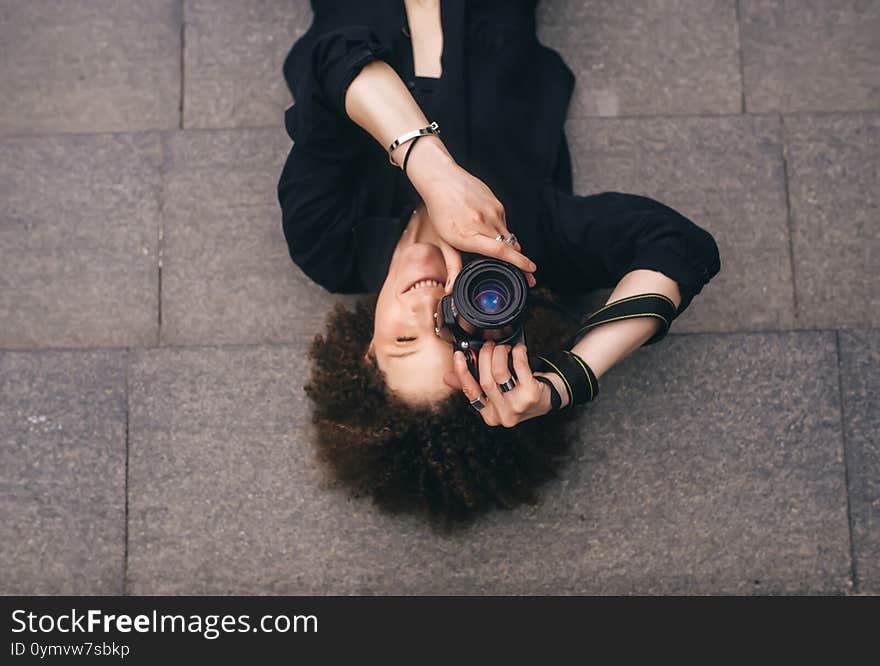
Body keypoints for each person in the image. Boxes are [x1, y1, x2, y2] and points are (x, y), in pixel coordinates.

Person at [277, 0, 721, 527]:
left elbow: (331, 60)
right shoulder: (523, 247)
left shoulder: (326, 242)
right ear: (493, 333)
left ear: (367, 352)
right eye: (453, 332)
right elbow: (679, 245)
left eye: (404, 341)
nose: (428, 311)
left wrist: (435, 172)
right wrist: (568, 379)